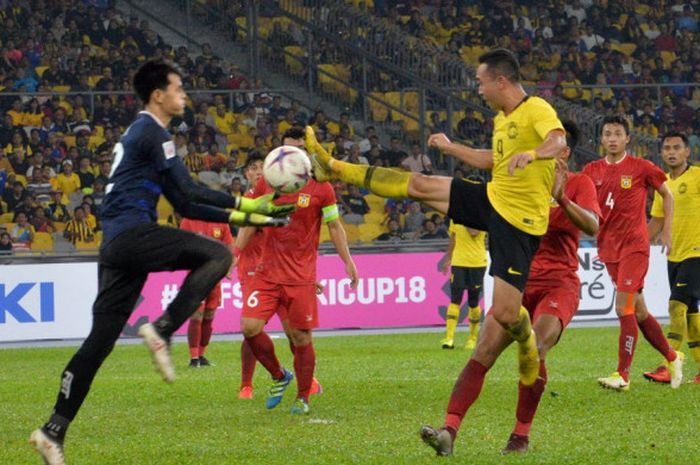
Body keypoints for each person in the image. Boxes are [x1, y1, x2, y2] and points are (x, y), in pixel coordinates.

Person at [29, 60, 295, 465]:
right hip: (134, 234)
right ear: (159, 95)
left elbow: (186, 202)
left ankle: (53, 430)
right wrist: (247, 204)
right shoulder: (154, 132)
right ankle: (163, 329)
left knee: (98, 343)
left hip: (117, 245)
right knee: (219, 255)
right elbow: (188, 188)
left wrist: (252, 216)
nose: (183, 95)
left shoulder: (142, 134)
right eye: (178, 88)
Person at [308, 48, 567, 456]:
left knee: (503, 313)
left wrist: (533, 154)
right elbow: (493, 161)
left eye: (481, 82)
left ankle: (527, 344)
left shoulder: (536, 109)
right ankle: (335, 167)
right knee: (422, 185)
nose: (478, 90)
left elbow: (557, 140)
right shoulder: (502, 121)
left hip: (520, 225)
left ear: (501, 80)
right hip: (494, 199)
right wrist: (453, 149)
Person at [236, 127, 358, 414]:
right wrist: (233, 255)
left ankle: (303, 396)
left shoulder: (321, 188)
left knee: (300, 337)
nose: (294, 154)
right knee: (249, 327)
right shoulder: (266, 182)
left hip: (300, 276)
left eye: (300, 149)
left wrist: (348, 261)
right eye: (289, 148)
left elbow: (335, 226)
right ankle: (279, 375)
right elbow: (250, 219)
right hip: (266, 274)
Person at [582, 116, 682, 392]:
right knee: (639, 311)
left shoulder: (641, 167)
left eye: (617, 134)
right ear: (601, 139)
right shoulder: (591, 170)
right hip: (608, 248)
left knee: (622, 307)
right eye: (607, 134)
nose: (612, 138)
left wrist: (667, 229)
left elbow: (668, 194)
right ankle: (673, 358)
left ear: (627, 139)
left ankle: (622, 375)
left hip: (635, 247)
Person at [236, 153, 323, 400]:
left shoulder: (283, 197)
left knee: (292, 331)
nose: (258, 172)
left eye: (261, 167)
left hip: (284, 273)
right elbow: (246, 227)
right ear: (246, 174)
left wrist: (306, 276)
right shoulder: (250, 200)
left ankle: (306, 380)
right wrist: (234, 255)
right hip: (254, 273)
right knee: (250, 328)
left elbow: (294, 239)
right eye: (252, 168)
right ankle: (247, 384)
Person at [643, 133, 700, 385]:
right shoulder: (662, 184)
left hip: (697, 252)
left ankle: (668, 364)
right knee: (690, 315)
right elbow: (657, 221)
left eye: (677, 147)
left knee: (676, 305)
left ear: (687, 152)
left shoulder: (697, 176)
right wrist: (634, 245)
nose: (671, 152)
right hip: (674, 255)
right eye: (667, 148)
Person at [180, 217, 234, 368]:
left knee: (209, 314)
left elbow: (229, 245)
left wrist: (228, 268)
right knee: (197, 314)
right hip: (196, 276)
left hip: (215, 277)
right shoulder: (188, 219)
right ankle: (194, 358)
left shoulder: (221, 221)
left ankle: (202, 355)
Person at [439, 213, 487, 350]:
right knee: (455, 299)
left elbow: (474, 232)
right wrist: (448, 258)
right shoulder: (456, 216)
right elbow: (453, 238)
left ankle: (472, 338)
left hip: (476, 262)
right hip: (459, 262)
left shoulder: (480, 215)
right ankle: (449, 338)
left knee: (473, 301)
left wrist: (464, 216)